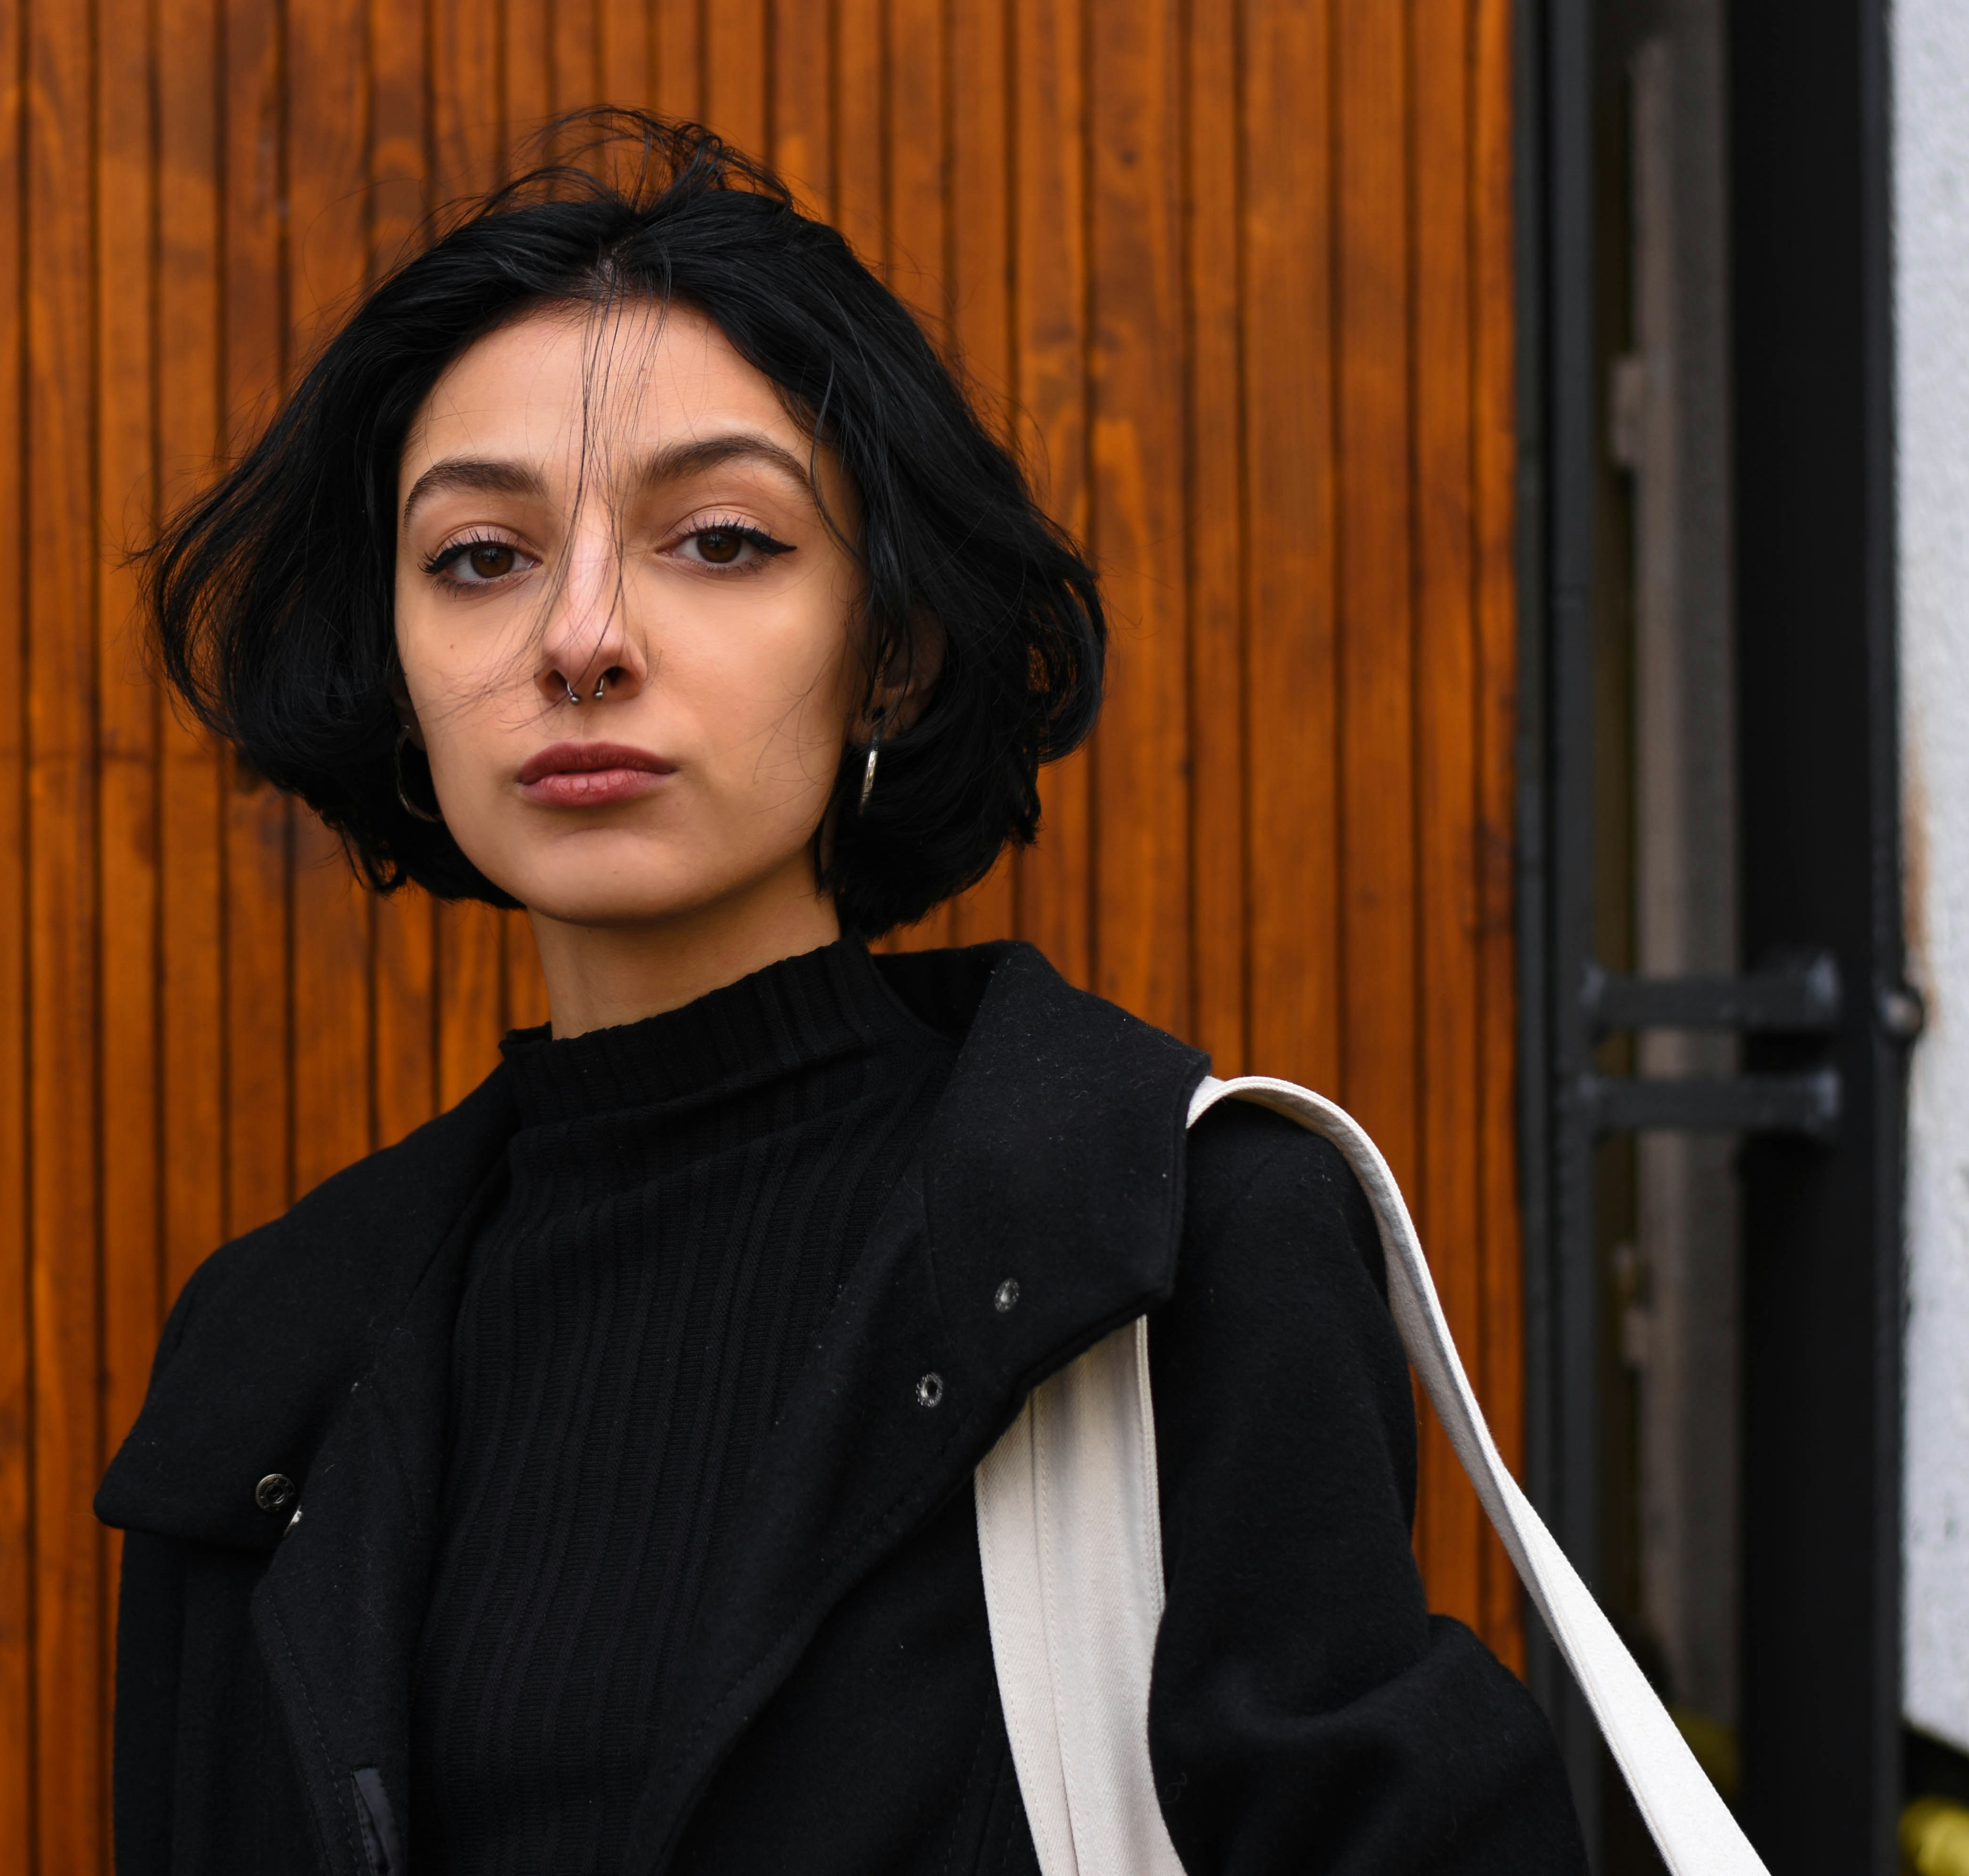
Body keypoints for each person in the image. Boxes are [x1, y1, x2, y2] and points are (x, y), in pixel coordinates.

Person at [96, 111, 1584, 1876]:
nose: (580, 636)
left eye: (718, 539)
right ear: (396, 663)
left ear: (888, 654)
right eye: (479, 557)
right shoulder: (266, 1353)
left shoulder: (1173, 1241)